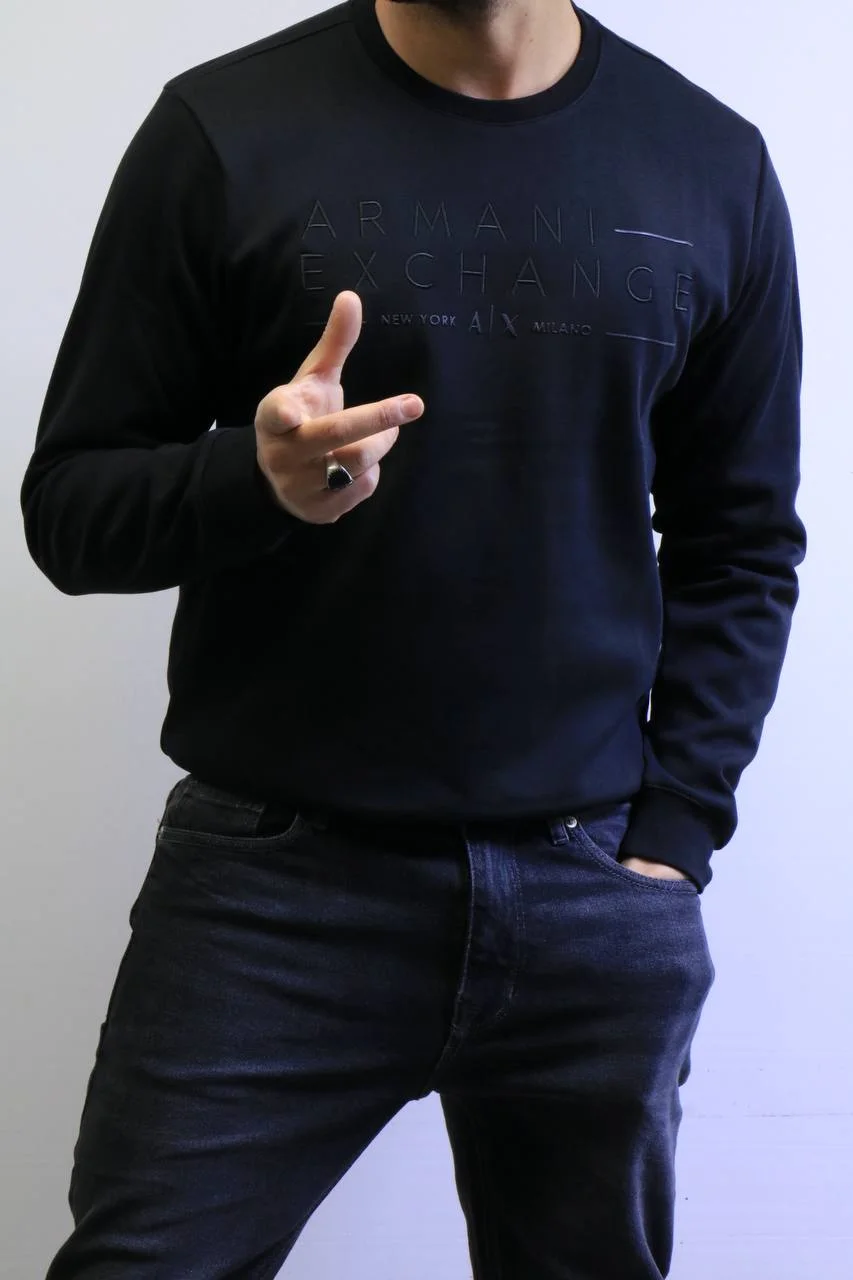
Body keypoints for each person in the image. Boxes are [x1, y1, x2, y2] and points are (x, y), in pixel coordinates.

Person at [20, 0, 805, 1275]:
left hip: (594, 894)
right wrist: (251, 481)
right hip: (271, 900)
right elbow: (69, 511)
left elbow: (742, 539)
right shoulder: (222, 130)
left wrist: (674, 833)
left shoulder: (710, 162)